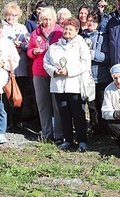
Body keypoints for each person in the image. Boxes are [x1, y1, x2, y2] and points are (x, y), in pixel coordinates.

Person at [44, 17, 91, 151]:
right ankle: (68, 140)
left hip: (74, 85)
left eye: (70, 29)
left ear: (76, 31)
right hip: (58, 85)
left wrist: (68, 71)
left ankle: (82, 141)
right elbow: (46, 63)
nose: (67, 31)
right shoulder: (54, 46)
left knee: (78, 114)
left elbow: (85, 63)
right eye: (65, 28)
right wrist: (55, 70)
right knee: (63, 114)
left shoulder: (81, 45)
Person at [27, 6, 64, 143]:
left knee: (57, 104)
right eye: (44, 19)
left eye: (49, 19)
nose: (47, 22)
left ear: (54, 19)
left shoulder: (60, 32)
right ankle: (47, 133)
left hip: (56, 73)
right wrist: (33, 52)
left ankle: (59, 135)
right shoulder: (35, 33)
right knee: (43, 104)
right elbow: (29, 52)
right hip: (39, 72)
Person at [80, 9, 112, 134]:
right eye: (89, 20)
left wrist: (92, 54)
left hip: (102, 76)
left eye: (94, 21)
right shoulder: (81, 36)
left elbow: (108, 58)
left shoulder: (103, 37)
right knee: (91, 106)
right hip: (87, 77)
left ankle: (105, 130)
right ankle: (95, 130)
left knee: (101, 104)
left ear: (99, 22)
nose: (91, 23)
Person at [1, 2, 30, 131]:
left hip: (21, 66)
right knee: (7, 94)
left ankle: (18, 121)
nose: (11, 17)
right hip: (8, 66)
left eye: (14, 15)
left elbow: (28, 44)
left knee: (19, 94)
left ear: (18, 16)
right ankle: (7, 121)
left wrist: (22, 46)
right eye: (8, 15)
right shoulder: (1, 28)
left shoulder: (23, 28)